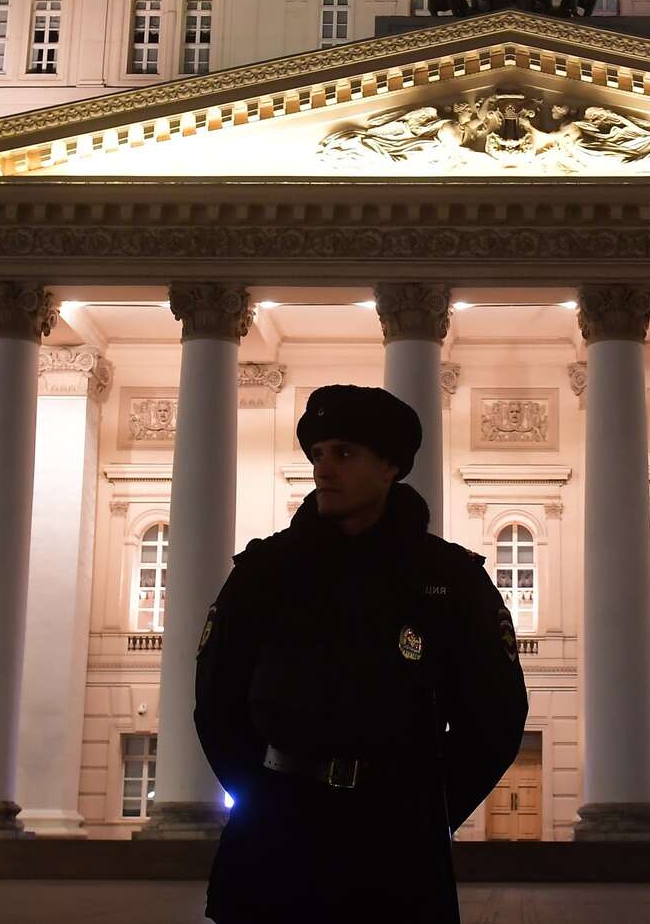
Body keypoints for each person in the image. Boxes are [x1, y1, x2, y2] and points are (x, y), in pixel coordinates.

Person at [195, 384, 530, 924]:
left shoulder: (447, 579)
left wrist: (428, 810)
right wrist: (263, 796)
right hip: (278, 834)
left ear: (390, 466)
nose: (323, 470)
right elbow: (216, 703)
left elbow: (495, 717)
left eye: (344, 453)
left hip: (396, 840)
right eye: (318, 455)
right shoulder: (266, 571)